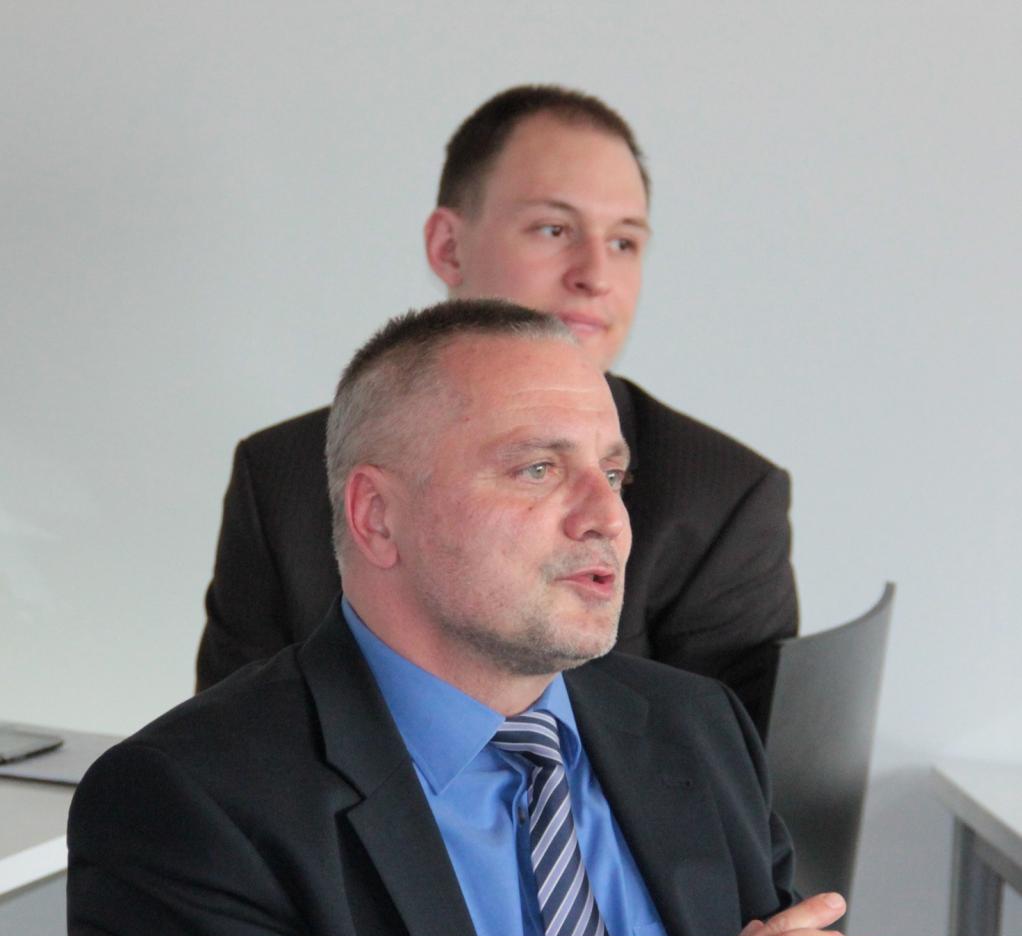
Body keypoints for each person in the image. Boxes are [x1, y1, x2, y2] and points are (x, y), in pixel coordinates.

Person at [70, 301, 931, 936]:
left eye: (613, 473)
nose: (607, 518)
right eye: (537, 468)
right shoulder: (192, 802)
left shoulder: (689, 723)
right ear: (377, 517)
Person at [196, 85, 798, 735]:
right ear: (448, 248)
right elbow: (223, 753)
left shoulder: (724, 495)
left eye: (625, 242)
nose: (596, 274)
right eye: (554, 230)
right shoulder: (281, 473)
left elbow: (728, 782)